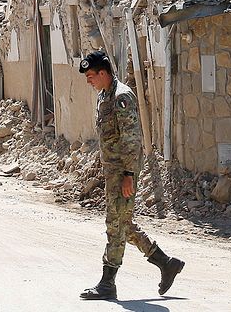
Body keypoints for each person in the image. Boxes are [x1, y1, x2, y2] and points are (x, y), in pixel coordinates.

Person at [78, 50, 185, 300]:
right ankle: (165, 263)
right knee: (121, 223)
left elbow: (132, 139)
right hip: (114, 169)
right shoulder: (104, 95)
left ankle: (108, 283)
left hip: (123, 171)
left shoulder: (121, 96)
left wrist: (128, 174)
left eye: (91, 75)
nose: (88, 80)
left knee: (115, 224)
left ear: (103, 73)